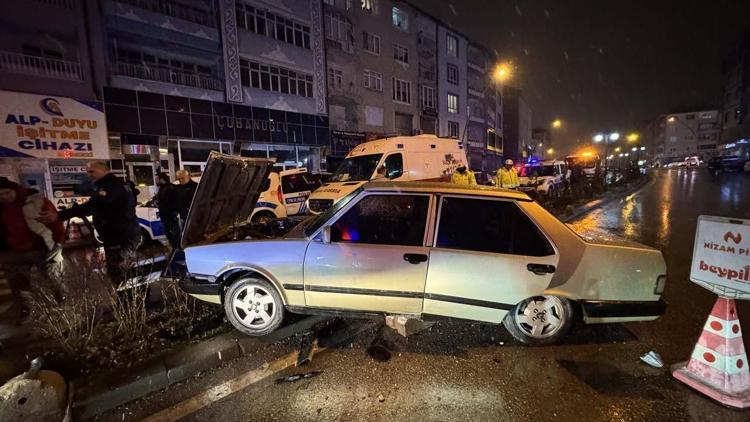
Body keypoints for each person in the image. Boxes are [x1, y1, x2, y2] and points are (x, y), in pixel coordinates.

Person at [38, 161, 141, 285]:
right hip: (121, 235)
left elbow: (93, 205)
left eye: (92, 171)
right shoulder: (115, 184)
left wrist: (59, 215)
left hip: (119, 237)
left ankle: (130, 301)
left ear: (103, 170)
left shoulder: (110, 186)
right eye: (88, 172)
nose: (89, 175)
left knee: (120, 274)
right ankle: (131, 299)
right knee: (124, 272)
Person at [0, 178, 65, 317]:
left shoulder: (35, 201)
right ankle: (26, 311)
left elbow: (55, 221)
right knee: (18, 284)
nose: (4, 197)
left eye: (7, 192)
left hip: (40, 247)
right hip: (11, 251)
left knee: (53, 278)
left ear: (14, 190)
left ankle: (63, 304)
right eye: (0, 194)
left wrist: (58, 242)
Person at [156, 173, 180, 249]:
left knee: (174, 233)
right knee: (167, 233)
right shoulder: (162, 188)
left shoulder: (170, 188)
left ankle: (178, 249)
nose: (156, 181)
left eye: (157, 179)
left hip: (170, 215)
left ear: (162, 179)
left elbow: (172, 201)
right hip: (164, 215)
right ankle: (175, 248)